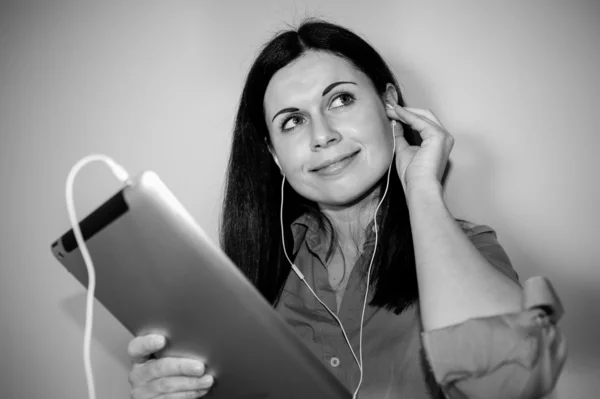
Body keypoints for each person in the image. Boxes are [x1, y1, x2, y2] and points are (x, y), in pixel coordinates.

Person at [126, 19, 567, 399]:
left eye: (340, 100)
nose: (322, 135)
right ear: (275, 155)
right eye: (292, 121)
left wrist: (423, 190)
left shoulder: (466, 247)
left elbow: (514, 382)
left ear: (390, 106)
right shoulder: (246, 286)